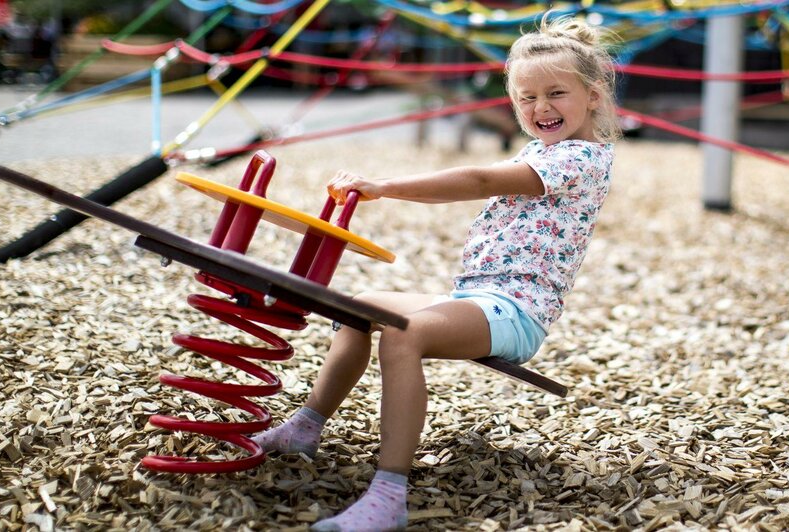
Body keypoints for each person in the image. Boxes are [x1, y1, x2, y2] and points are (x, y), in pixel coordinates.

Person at [254, 13, 621, 531]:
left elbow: (474, 178)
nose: (541, 108)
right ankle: (303, 426)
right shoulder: (544, 150)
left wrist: (383, 186)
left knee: (405, 336)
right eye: (526, 98)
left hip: (514, 313)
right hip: (477, 299)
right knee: (360, 308)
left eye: (556, 93)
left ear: (594, 95)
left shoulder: (582, 158)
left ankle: (389, 494)